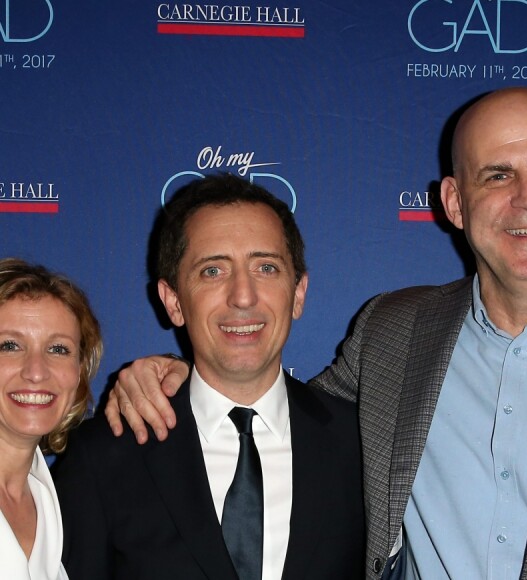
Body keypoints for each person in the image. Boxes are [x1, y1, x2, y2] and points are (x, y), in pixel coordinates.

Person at [106, 86, 527, 579]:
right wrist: (181, 376)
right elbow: (286, 415)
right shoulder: (395, 333)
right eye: (498, 175)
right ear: (455, 204)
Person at [52, 174, 365, 579]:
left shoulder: (360, 446)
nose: (243, 296)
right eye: (213, 271)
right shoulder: (103, 457)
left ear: (299, 293)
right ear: (174, 302)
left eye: (266, 267)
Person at [0, 258, 102, 580]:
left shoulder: (44, 497)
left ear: (79, 372)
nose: (36, 371)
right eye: (10, 345)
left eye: (58, 349)